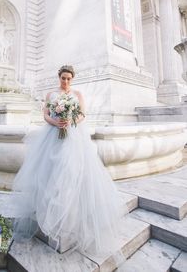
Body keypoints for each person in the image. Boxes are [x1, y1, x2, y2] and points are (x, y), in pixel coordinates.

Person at [13, 65, 126, 259]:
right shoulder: (51, 95)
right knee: (50, 170)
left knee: (72, 171)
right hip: (52, 135)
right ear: (59, 77)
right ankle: (48, 209)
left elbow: (82, 114)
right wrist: (56, 122)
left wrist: (70, 120)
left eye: (68, 79)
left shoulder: (77, 95)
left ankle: (70, 214)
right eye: (63, 78)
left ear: (72, 79)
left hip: (73, 136)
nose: (65, 81)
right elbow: (46, 114)